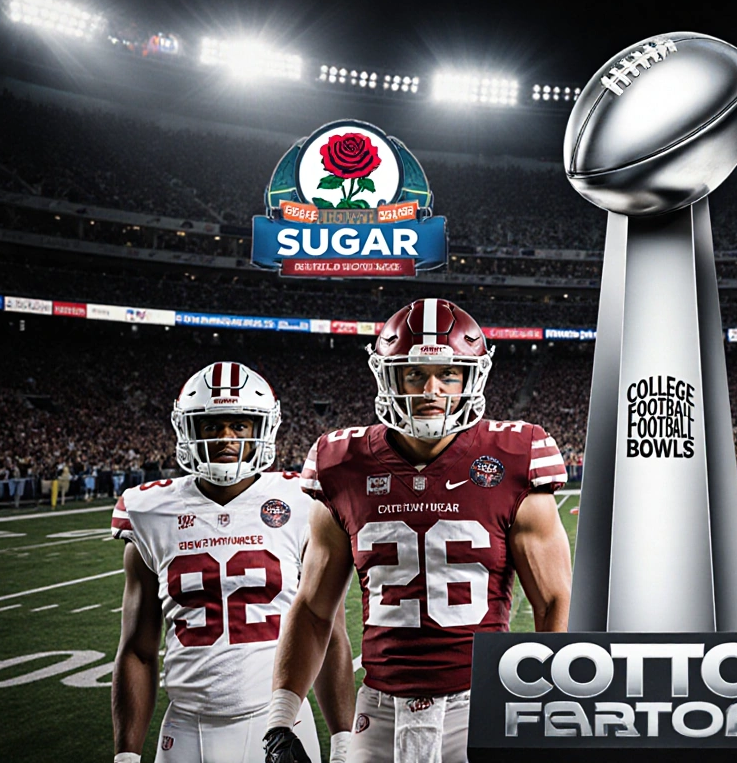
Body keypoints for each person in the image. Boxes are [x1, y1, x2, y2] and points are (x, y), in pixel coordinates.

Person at [264, 299, 573, 763]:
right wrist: (279, 720)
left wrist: (547, 702)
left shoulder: (516, 455)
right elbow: (312, 609)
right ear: (389, 377)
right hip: (379, 709)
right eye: (414, 374)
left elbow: (552, 601)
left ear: (471, 378)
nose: (431, 389)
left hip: (482, 702)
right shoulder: (341, 463)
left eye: (448, 374)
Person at [111, 362, 355, 763]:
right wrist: (125, 756)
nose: (226, 437)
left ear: (263, 428)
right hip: (186, 727)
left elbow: (328, 634)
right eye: (212, 425)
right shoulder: (150, 510)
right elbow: (137, 649)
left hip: (282, 720)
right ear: (188, 429)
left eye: (239, 425)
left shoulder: (303, 500)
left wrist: (344, 740)